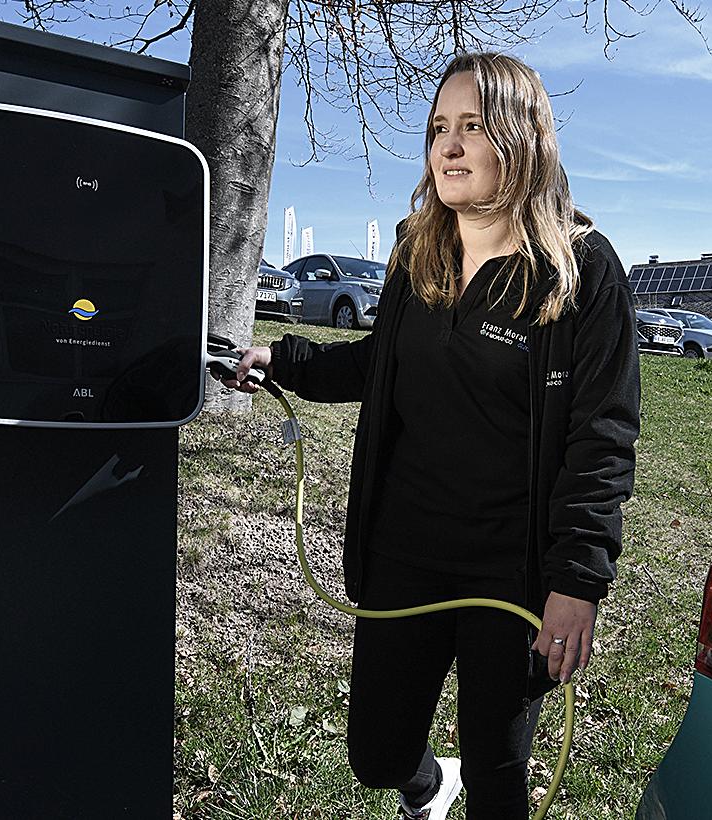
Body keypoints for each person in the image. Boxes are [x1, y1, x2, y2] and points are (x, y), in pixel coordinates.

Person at [220, 52, 639, 820]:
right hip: (403, 555)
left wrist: (576, 582)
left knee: (497, 778)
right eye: (438, 128)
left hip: (511, 573)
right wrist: (279, 357)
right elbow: (383, 365)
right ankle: (424, 784)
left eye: (472, 127)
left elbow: (601, 437)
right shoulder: (420, 251)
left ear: (523, 138)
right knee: (375, 753)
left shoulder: (581, 271)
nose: (447, 146)